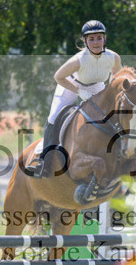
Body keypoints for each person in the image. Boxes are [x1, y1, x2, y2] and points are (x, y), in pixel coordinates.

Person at [30, 20, 122, 178]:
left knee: (117, 116)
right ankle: (44, 162)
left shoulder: (113, 57)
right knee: (53, 118)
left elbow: (117, 78)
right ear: (85, 41)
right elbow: (58, 76)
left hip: (97, 86)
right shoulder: (79, 60)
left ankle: (128, 156)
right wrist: (80, 92)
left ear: (105, 39)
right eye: (91, 39)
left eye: (99, 38)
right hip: (71, 86)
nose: (95, 42)